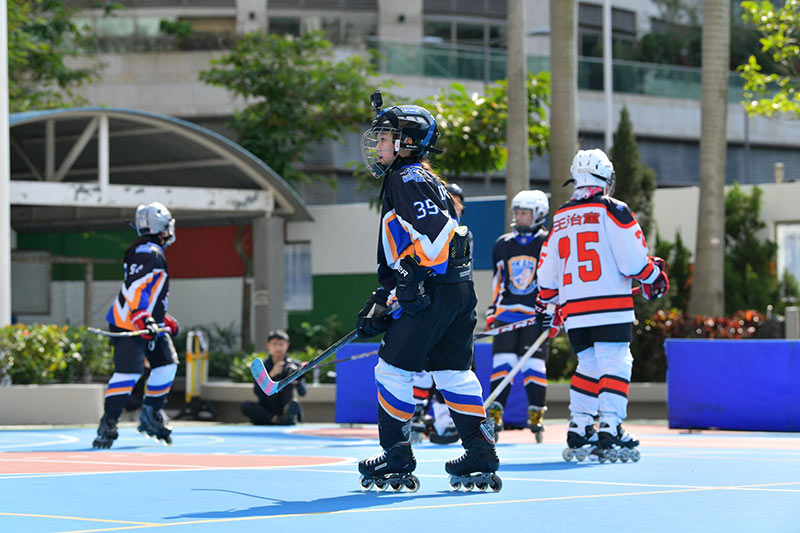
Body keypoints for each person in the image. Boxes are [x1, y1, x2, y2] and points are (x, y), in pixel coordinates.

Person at [355, 95, 501, 491]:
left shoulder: (405, 179)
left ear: (408, 142)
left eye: (386, 136)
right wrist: (388, 290)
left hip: (430, 292)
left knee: (392, 369)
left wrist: (406, 279)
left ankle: (397, 456)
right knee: (453, 371)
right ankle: (480, 451)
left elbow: (439, 240)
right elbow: (451, 240)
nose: (379, 144)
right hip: (455, 291)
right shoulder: (423, 177)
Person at [535, 148, 669, 462]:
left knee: (589, 365)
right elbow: (634, 261)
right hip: (610, 303)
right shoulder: (614, 209)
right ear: (606, 178)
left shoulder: (560, 216)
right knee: (616, 362)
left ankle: (579, 426)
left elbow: (547, 271)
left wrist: (547, 304)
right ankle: (610, 426)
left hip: (573, 309)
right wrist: (654, 275)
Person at [93, 202, 180, 448]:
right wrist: (142, 315)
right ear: (162, 227)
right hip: (131, 323)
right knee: (128, 373)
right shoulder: (148, 252)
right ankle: (108, 423)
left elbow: (147, 290)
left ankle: (151, 412)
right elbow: (136, 287)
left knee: (167, 364)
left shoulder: (146, 250)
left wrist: (161, 318)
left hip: (147, 322)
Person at [485, 190, 551, 442]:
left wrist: (552, 310)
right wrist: (494, 309)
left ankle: (536, 415)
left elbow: (553, 278)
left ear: (539, 214)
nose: (519, 217)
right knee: (502, 363)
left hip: (536, 316)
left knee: (534, 365)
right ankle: (495, 415)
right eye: (517, 212)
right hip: (507, 314)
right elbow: (498, 281)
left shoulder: (548, 242)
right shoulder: (503, 244)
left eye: (525, 213)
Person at [409, 182, 468, 446]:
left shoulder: (460, 233)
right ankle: (416, 413)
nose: (452, 205)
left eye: (457, 201)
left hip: (450, 304)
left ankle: (448, 422)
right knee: (423, 364)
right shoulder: (427, 227)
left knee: (450, 366)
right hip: (430, 303)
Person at [241, 330, 305, 425]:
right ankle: (277, 419)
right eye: (274, 344)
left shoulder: (295, 364)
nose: (278, 348)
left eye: (281, 344)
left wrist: (295, 381)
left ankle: (286, 415)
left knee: (289, 389)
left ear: (287, 345)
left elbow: (303, 392)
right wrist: (271, 375)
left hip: (287, 404)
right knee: (245, 406)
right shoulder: (262, 365)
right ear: (268, 345)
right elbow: (257, 392)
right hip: (268, 408)